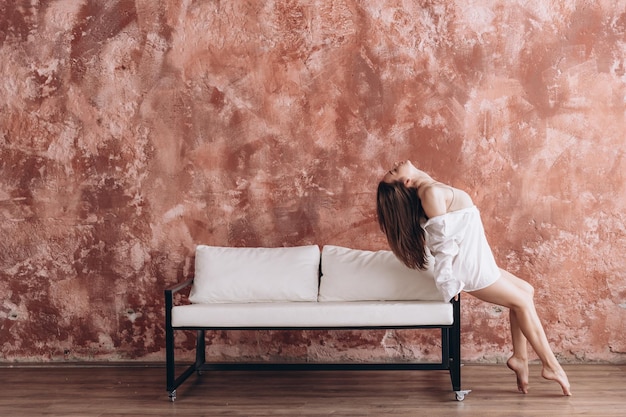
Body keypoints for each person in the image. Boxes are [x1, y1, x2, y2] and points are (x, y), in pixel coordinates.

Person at [376, 160, 571, 396]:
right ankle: (551, 365)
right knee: (521, 301)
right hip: (471, 269)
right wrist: (449, 284)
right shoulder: (431, 193)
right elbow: (443, 245)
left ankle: (520, 358)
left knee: (526, 291)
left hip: (480, 262)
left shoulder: (431, 189)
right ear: (407, 182)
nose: (396, 165)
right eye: (394, 171)